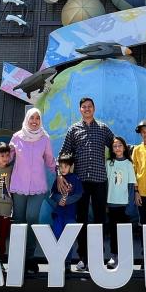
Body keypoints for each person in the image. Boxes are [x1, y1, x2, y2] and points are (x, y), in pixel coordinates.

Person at [0, 107, 56, 271]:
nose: (34, 121)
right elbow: (5, 157)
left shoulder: (45, 138)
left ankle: (29, 256)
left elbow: (50, 160)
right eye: (32, 118)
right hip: (19, 186)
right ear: (27, 119)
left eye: (37, 118)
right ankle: (18, 256)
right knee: (18, 220)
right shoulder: (17, 137)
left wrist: (60, 175)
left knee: (32, 217)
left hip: (38, 187)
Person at [58, 96, 114, 271]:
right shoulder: (73, 130)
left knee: (100, 219)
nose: (87, 109)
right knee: (81, 219)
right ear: (80, 110)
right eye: (84, 107)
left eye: (89, 106)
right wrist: (60, 174)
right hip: (80, 181)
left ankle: (98, 257)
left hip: (99, 180)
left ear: (94, 109)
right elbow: (64, 153)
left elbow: (116, 146)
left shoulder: (103, 129)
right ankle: (82, 257)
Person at [105, 136, 135, 270]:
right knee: (113, 231)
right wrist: (105, 203)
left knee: (124, 232)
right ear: (112, 149)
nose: (117, 148)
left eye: (120, 145)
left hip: (124, 205)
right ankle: (114, 256)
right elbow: (106, 184)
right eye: (115, 146)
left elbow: (131, 185)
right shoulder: (109, 163)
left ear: (124, 147)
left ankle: (125, 258)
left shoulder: (129, 164)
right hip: (112, 204)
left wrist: (130, 205)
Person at [48, 153, 82, 239]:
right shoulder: (58, 180)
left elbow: (78, 194)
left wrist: (66, 201)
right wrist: (59, 199)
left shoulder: (76, 178)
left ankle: (69, 249)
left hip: (71, 214)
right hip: (59, 213)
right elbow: (52, 194)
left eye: (65, 166)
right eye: (61, 166)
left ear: (71, 166)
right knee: (57, 235)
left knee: (69, 238)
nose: (63, 169)